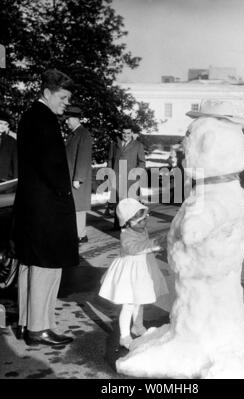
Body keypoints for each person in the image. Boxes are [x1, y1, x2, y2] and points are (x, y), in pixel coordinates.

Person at [12, 69, 79, 346]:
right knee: (47, 267)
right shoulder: (46, 119)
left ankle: (29, 324)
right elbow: (52, 166)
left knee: (31, 264)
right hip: (48, 207)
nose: (66, 103)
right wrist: (63, 194)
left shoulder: (28, 116)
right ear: (47, 92)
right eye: (63, 97)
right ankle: (40, 328)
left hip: (31, 205)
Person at [99, 198, 168, 349]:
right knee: (129, 303)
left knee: (139, 299)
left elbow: (147, 245)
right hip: (129, 272)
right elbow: (134, 248)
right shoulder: (126, 234)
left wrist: (158, 245)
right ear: (128, 222)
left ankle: (137, 325)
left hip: (142, 270)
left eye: (145, 219)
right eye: (140, 221)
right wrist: (153, 245)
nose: (145, 223)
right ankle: (124, 336)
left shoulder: (141, 229)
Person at [106, 122, 146, 229]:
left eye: (128, 133)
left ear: (132, 133)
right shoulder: (114, 144)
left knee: (129, 201)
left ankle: (129, 224)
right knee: (118, 200)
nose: (125, 135)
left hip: (131, 178)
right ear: (121, 133)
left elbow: (142, 162)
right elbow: (110, 159)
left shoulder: (138, 145)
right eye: (124, 133)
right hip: (117, 176)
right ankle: (118, 223)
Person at [65, 105, 92, 244]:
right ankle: (78, 233)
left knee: (78, 208)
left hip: (77, 179)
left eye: (68, 119)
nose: (66, 122)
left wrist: (78, 178)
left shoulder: (83, 134)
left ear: (75, 119)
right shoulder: (74, 134)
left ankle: (81, 235)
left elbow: (83, 157)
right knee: (75, 207)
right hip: (72, 177)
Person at [0, 110, 18, 182]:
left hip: (5, 180)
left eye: (5, 124)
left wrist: (16, 181)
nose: (2, 126)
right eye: (0, 123)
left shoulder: (12, 141)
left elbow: (16, 163)